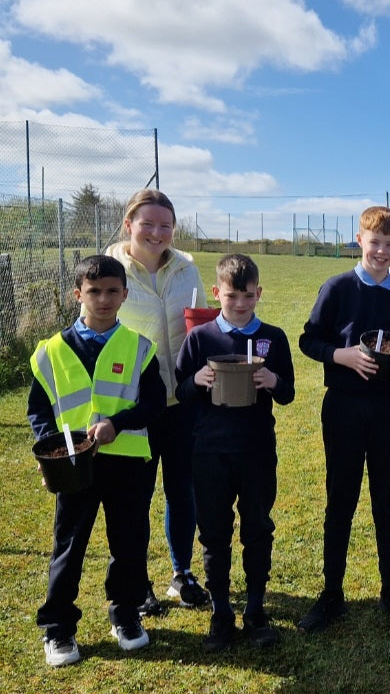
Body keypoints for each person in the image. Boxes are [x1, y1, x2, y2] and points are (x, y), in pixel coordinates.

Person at [28, 255, 166, 666]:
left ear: (125, 295)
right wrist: (48, 447)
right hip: (72, 466)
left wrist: (118, 424)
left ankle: (125, 615)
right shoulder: (50, 352)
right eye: (93, 291)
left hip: (127, 464)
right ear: (78, 294)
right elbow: (39, 411)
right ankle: (59, 629)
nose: (103, 299)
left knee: (129, 543)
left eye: (111, 291)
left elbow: (155, 404)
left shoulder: (141, 348)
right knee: (69, 545)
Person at [296, 205, 390, 633]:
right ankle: (332, 592)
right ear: (359, 240)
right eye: (375, 242)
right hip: (345, 406)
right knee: (341, 497)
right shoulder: (337, 288)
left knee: (389, 498)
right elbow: (308, 339)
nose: (382, 251)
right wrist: (342, 355)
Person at [175, 254, 295, 651]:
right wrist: (197, 379)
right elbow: (181, 391)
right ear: (216, 294)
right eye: (231, 296)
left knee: (258, 527)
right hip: (209, 450)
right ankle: (221, 610)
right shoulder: (200, 338)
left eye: (247, 296)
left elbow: (289, 393)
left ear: (259, 293)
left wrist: (273, 379)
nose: (240, 304)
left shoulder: (273, 338)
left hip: (257, 449)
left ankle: (256, 608)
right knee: (214, 532)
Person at [105, 188, 210, 613]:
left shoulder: (187, 270)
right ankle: (138, 582)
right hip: (136, 406)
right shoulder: (111, 271)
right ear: (129, 224)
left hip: (183, 401)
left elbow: (201, 329)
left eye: (165, 225)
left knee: (182, 492)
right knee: (135, 497)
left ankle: (181, 574)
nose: (156, 232)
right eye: (147, 223)